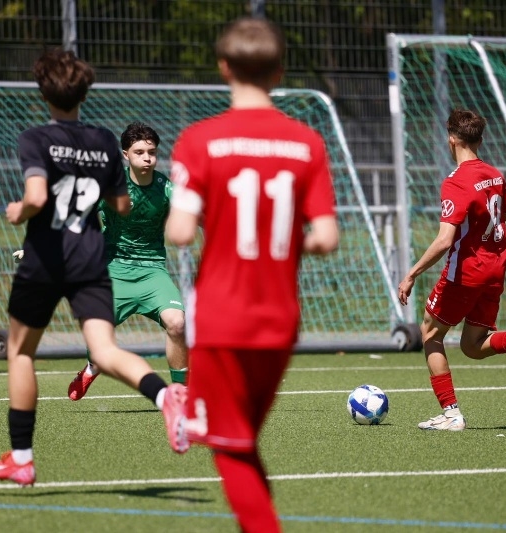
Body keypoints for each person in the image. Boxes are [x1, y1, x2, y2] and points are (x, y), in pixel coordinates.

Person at [164, 17, 339, 533]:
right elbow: (327, 237)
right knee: (240, 442)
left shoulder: (200, 140)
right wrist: (280, 244)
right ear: (279, 71)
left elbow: (180, 232)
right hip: (279, 319)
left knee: (228, 447)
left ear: (224, 68)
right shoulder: (306, 142)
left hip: (222, 318)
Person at [0, 50, 186, 486]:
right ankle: (164, 396)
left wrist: (20, 211)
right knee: (106, 351)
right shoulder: (102, 141)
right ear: (84, 94)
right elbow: (122, 205)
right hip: (92, 258)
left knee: (21, 352)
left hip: (47, 255)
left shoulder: (35, 138)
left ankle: (22, 458)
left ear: (43, 94)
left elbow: (37, 197)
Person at [397, 108, 506, 432]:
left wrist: (411, 274)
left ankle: (451, 414)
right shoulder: (495, 175)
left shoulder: (455, 182)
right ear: (479, 140)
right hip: (495, 271)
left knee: (430, 335)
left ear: (451, 139)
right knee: (471, 346)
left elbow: (444, 240)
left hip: (465, 273)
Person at [67, 122, 188, 400]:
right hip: (114, 269)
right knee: (97, 331)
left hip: (152, 270)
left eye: (152, 152)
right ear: (125, 155)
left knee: (177, 323)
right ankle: (93, 367)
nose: (147, 158)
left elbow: (199, 217)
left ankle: (182, 392)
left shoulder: (167, 189)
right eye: (139, 152)